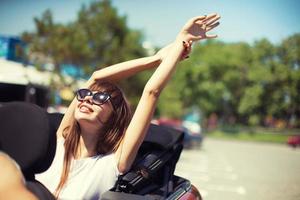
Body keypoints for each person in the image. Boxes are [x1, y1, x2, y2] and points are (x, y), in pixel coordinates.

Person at [36, 13, 220, 199]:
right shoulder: (59, 142)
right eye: (84, 94)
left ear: (113, 117)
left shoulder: (113, 163)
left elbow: (151, 93)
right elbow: (96, 77)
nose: (88, 99)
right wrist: (154, 59)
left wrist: (181, 40)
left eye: (100, 97)